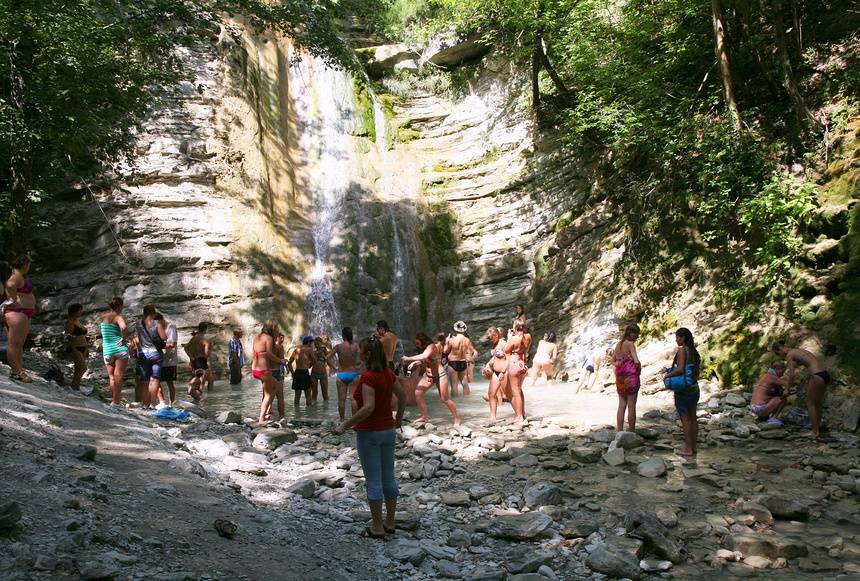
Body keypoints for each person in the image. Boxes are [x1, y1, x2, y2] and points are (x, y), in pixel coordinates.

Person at [333, 336, 406, 538]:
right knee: (388, 478)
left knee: (373, 480)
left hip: (369, 433)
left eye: (360, 351)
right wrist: (398, 420)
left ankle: (377, 527)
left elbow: (368, 407)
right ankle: (390, 522)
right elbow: (403, 397)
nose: (358, 353)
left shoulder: (368, 377)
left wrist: (345, 425)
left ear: (366, 355)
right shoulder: (388, 373)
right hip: (388, 431)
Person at [771, 342, 829, 438]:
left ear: (780, 350)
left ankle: (814, 431)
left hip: (816, 375)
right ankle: (817, 428)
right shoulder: (798, 350)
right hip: (824, 374)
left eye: (778, 354)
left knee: (810, 403)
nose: (781, 357)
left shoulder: (789, 355)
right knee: (817, 403)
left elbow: (792, 375)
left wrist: (787, 389)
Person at [402, 332, 460, 426]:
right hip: (429, 376)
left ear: (422, 340)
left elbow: (424, 356)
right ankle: (424, 417)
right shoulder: (424, 348)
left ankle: (457, 418)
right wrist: (416, 363)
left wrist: (408, 358)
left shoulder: (431, 346)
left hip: (440, 376)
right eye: (415, 343)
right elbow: (429, 360)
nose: (416, 344)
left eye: (417, 342)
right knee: (418, 393)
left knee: (444, 399)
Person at [663, 328, 701, 457]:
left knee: (685, 419)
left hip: (683, 390)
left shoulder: (681, 350)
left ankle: (688, 449)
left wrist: (667, 376)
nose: (676, 340)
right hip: (694, 387)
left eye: (678, 337)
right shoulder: (694, 351)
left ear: (683, 338)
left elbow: (679, 369)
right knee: (693, 418)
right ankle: (693, 448)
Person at [2, 255, 36, 382]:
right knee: (14, 343)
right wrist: (13, 299)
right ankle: (17, 372)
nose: (28, 267)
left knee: (20, 344)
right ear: (23, 264)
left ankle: (18, 369)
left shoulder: (20, 276)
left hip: (24, 312)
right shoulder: (15, 276)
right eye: (28, 264)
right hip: (17, 312)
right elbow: (10, 285)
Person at [136, 305, 167, 410]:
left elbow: (139, 338)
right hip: (155, 354)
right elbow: (164, 337)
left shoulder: (138, 324)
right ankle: (153, 404)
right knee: (154, 379)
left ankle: (145, 404)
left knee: (144, 381)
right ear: (153, 313)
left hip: (143, 354)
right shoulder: (156, 323)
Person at [253, 320, 284, 423]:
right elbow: (269, 354)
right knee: (270, 393)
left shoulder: (257, 337)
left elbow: (254, 352)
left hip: (255, 369)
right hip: (264, 370)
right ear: (273, 329)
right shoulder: (269, 338)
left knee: (272, 389)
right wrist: (280, 361)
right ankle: (262, 417)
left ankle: (266, 413)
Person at [100, 297, 129, 405]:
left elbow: (105, 331)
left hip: (107, 350)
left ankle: (114, 399)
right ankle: (116, 402)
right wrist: (123, 339)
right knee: (119, 375)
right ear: (119, 306)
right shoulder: (118, 316)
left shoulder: (103, 316)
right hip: (119, 349)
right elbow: (124, 328)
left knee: (112, 377)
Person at [613, 325, 641, 432]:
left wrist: (620, 364)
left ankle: (619, 431)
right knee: (631, 405)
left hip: (620, 377)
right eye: (636, 333)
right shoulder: (630, 344)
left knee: (621, 405)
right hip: (631, 377)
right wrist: (638, 369)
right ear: (630, 333)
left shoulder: (618, 344)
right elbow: (636, 361)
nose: (638, 336)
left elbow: (612, 361)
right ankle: (631, 431)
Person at [329, 327, 361, 421]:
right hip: (353, 374)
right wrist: (359, 367)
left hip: (341, 374)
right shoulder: (356, 346)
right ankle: (354, 421)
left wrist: (333, 367)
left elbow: (327, 357)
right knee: (353, 399)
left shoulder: (338, 347)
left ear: (343, 335)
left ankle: (342, 420)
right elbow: (364, 357)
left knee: (341, 400)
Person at [503, 322, 528, 422]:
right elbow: (525, 352)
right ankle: (522, 413)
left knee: (515, 391)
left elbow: (505, 350)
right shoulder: (525, 338)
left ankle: (519, 416)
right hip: (522, 364)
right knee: (519, 390)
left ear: (515, 327)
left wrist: (509, 337)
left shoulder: (514, 338)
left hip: (514, 363)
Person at [483, 327, 508, 421]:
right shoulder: (495, 344)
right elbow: (495, 357)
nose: (490, 340)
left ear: (496, 335)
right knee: (491, 394)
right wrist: (487, 365)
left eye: (491, 338)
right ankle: (493, 417)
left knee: (511, 395)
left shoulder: (503, 343)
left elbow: (509, 358)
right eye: (489, 338)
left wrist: (503, 371)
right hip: (496, 373)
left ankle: (520, 415)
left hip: (504, 373)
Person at [445, 321, 475, 398]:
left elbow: (445, 351)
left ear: (455, 329)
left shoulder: (452, 339)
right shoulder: (467, 340)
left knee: (454, 384)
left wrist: (447, 341)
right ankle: (467, 400)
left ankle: (456, 402)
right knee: (464, 383)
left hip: (453, 362)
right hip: (463, 362)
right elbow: (472, 351)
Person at [64, 303, 89, 391]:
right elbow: (68, 338)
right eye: (79, 311)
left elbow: (83, 335)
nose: (81, 312)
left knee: (78, 369)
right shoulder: (70, 323)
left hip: (83, 347)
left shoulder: (78, 321)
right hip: (75, 347)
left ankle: (75, 387)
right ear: (73, 312)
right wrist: (73, 349)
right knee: (83, 368)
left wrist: (87, 348)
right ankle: (73, 386)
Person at [184, 323, 211, 397]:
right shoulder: (205, 340)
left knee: (210, 379)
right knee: (201, 378)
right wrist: (210, 349)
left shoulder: (194, 338)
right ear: (205, 329)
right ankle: (192, 389)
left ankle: (208, 396)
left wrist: (191, 357)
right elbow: (206, 354)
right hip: (202, 360)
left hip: (195, 360)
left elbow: (186, 348)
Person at [265, 333, 286, 420]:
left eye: (283, 338)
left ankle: (266, 413)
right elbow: (281, 361)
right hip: (277, 371)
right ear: (276, 338)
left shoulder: (267, 347)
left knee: (266, 394)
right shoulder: (279, 347)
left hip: (267, 371)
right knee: (280, 395)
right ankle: (282, 416)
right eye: (280, 338)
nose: (282, 340)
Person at [288, 335, 314, 407]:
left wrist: (293, 373)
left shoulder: (296, 350)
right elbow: (314, 360)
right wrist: (310, 365)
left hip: (297, 373)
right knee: (308, 395)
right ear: (308, 342)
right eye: (311, 342)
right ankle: (309, 412)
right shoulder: (309, 349)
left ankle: (296, 413)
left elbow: (289, 363)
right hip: (305, 372)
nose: (312, 344)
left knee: (297, 396)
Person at [159, 315, 179, 406]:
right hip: (159, 359)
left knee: (169, 382)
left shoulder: (171, 327)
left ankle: (171, 405)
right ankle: (162, 402)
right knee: (156, 381)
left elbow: (172, 344)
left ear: (161, 320)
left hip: (170, 360)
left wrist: (158, 345)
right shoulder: (156, 327)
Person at [311, 336, 330, 403]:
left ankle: (326, 408)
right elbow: (310, 364)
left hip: (323, 374)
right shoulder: (313, 352)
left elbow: (328, 360)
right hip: (314, 374)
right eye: (315, 344)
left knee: (325, 394)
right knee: (314, 394)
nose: (316, 345)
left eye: (318, 344)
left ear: (321, 343)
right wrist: (315, 354)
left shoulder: (324, 350)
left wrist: (334, 367)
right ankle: (314, 408)